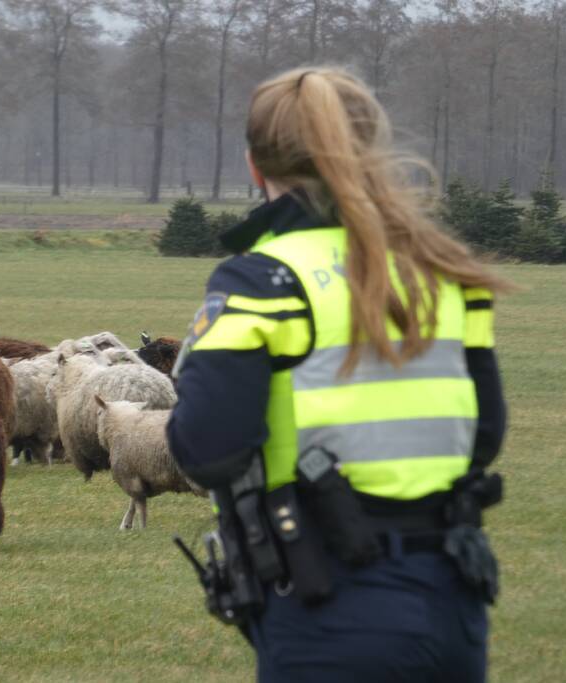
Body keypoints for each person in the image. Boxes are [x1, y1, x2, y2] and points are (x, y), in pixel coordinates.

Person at [167, 66, 509, 683]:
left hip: (329, 600)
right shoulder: (444, 271)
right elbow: (483, 436)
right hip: (452, 601)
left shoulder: (263, 281)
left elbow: (207, 451)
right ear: (368, 154)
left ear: (254, 166)